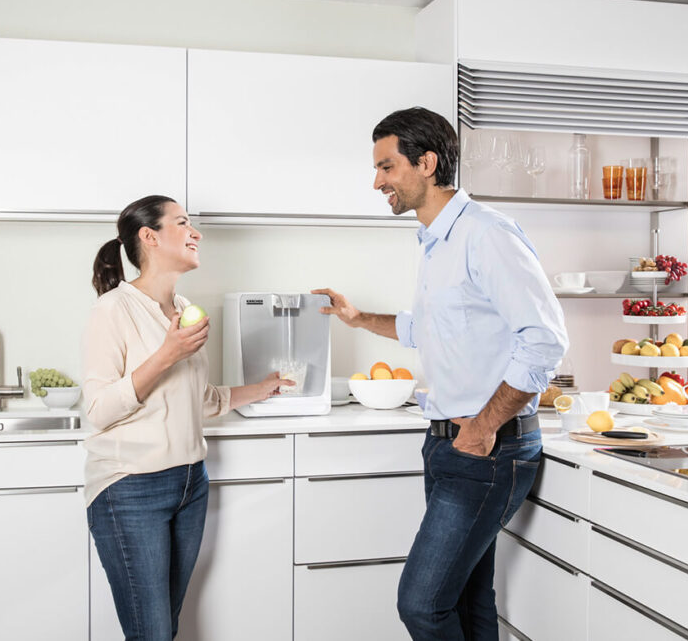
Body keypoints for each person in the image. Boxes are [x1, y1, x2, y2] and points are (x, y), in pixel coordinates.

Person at [314, 108, 568, 641]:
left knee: (422, 605)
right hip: (450, 446)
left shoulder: (486, 235)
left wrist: (481, 428)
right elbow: (431, 327)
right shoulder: (436, 240)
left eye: (387, 166)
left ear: (426, 163)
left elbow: (544, 340)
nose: (377, 181)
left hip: (486, 451)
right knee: (470, 602)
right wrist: (359, 319)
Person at [83, 194, 290, 641]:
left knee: (165, 628)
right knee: (152, 633)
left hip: (189, 484)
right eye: (182, 223)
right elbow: (97, 411)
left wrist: (263, 387)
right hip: (130, 487)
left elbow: (198, 398)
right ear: (149, 237)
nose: (195, 232)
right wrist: (168, 354)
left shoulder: (181, 307)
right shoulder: (113, 310)